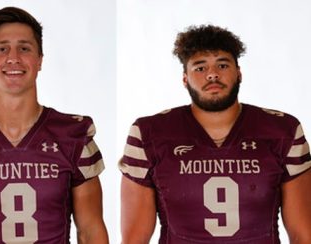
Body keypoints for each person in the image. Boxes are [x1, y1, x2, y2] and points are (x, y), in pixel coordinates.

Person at [0, 6, 108, 244]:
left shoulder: (73, 135)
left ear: (39, 60)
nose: (13, 57)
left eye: (24, 48)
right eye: (2, 48)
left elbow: (91, 230)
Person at [119, 24, 311, 243]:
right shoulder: (149, 133)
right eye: (200, 68)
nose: (212, 74)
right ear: (185, 79)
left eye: (222, 65)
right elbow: (134, 239)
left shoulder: (282, 130)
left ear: (239, 74)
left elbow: (303, 235)